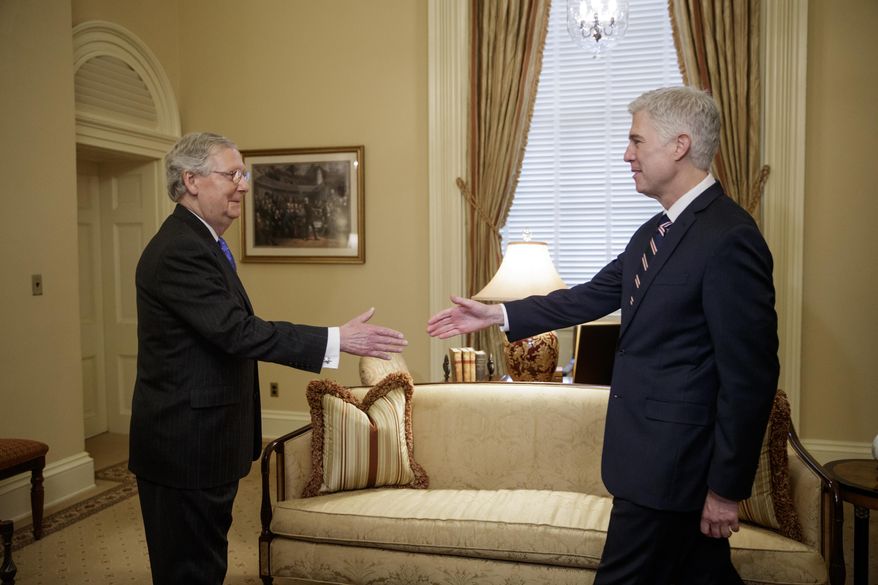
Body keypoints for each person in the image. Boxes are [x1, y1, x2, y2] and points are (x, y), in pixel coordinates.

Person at [427, 86, 778, 584]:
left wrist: (725, 488)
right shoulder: (653, 234)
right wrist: (496, 315)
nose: (626, 153)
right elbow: (588, 297)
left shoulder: (730, 236)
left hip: (674, 469)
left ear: (679, 145)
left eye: (637, 140)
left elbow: (751, 377)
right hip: (649, 462)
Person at [129, 132, 407, 585]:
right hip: (184, 446)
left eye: (244, 174)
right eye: (232, 174)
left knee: (205, 563)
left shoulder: (203, 242)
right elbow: (237, 332)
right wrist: (336, 338)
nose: (243, 185)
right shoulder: (180, 249)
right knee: (189, 570)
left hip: (204, 442)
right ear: (191, 180)